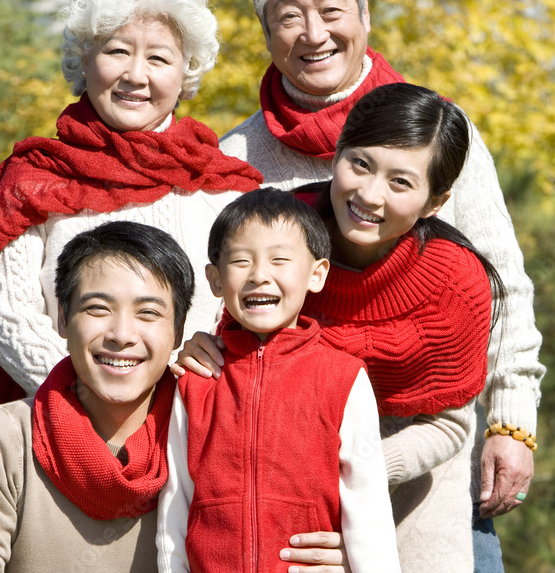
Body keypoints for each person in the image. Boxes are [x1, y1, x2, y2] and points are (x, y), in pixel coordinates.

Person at [213, 0, 547, 570]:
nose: (313, 34)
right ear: (265, 32)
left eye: (331, 10)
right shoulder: (236, 160)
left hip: (430, 452)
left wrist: (511, 418)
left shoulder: (441, 133)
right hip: (289, 462)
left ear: (363, 14)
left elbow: (501, 282)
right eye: (288, 16)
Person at [0, 0, 262, 412]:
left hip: (199, 427)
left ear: (185, 76)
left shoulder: (225, 187)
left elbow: (253, 316)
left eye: (158, 58)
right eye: (117, 50)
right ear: (85, 60)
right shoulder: (33, 182)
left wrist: (184, 394)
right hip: (66, 426)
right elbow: (9, 322)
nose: (135, 75)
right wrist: (103, 403)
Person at [0, 221, 195, 571]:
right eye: (98, 308)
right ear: (63, 319)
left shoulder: (206, 435)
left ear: (178, 330)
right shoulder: (0, 441)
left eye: (148, 313)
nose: (122, 334)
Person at [157, 188, 400, 573]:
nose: (259, 276)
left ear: (317, 275)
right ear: (216, 279)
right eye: (240, 261)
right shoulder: (197, 380)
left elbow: (367, 504)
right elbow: (176, 503)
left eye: (279, 260)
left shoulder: (343, 377)